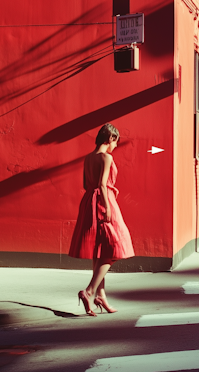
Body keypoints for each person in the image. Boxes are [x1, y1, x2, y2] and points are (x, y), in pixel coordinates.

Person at [68, 123, 134, 316]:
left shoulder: (88, 158)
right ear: (111, 138)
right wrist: (106, 206)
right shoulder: (106, 157)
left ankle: (101, 296)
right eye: (116, 142)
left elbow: (85, 184)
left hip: (88, 201)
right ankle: (89, 291)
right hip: (104, 201)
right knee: (115, 246)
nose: (115, 147)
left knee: (100, 248)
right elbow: (102, 184)